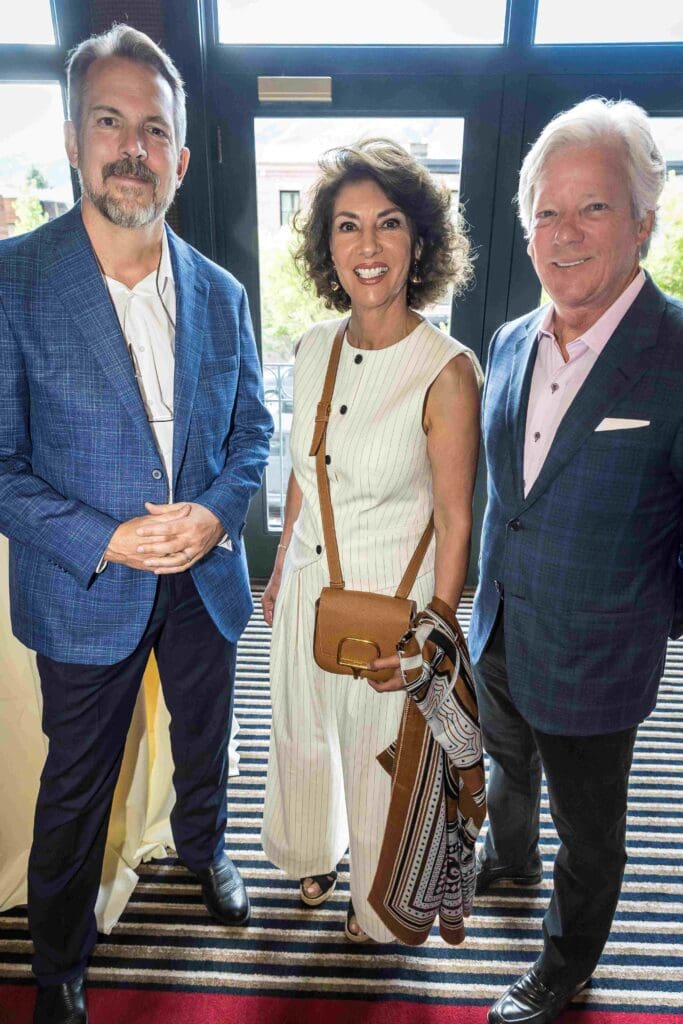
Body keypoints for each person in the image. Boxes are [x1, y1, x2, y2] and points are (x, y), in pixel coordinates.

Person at [0, 25, 272, 1024]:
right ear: (73, 141)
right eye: (109, 122)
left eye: (153, 130)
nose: (132, 148)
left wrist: (213, 512)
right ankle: (59, 963)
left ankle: (205, 851)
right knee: (78, 785)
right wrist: (106, 538)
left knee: (206, 735)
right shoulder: (12, 281)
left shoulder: (222, 293)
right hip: (86, 588)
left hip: (205, 578)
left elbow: (252, 432)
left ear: (180, 158)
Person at [469, 97, 683, 1024]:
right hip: (500, 621)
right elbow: (507, 496)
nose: (564, 233)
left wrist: (645, 612)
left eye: (592, 207)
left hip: (599, 649)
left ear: (643, 220)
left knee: (589, 829)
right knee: (505, 761)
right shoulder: (510, 340)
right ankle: (508, 856)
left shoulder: (675, 353)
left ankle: (565, 966)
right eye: (546, 211)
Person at [260, 138, 482, 942]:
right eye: (347, 226)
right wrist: (279, 569)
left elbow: (456, 518)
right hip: (306, 590)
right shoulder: (311, 345)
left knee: (376, 759)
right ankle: (312, 852)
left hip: (391, 608)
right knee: (302, 739)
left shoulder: (446, 370)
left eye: (387, 223)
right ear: (328, 248)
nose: (367, 245)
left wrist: (434, 633)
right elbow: (304, 467)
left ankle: (377, 903)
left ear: (418, 241)